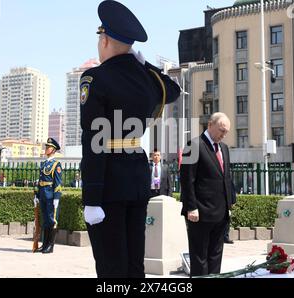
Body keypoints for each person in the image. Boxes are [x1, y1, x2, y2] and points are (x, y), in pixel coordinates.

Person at [80, 0, 181, 278]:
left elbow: (93, 140)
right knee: (135, 264)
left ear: (105, 39)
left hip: (108, 183)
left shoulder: (95, 78)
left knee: (111, 266)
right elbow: (173, 90)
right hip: (136, 177)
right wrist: (144, 62)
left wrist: (91, 198)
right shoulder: (145, 78)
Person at [180, 112, 234, 277]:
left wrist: (229, 205)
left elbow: (226, 178)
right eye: (221, 130)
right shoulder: (194, 145)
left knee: (216, 256)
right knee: (199, 257)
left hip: (220, 213)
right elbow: (187, 179)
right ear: (210, 125)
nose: (223, 135)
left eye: (226, 132)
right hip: (200, 213)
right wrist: (191, 208)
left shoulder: (224, 148)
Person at [33, 138, 62, 254]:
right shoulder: (44, 163)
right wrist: (38, 195)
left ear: (53, 149)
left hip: (51, 196)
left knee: (52, 220)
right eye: (46, 147)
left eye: (48, 147)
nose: (46, 149)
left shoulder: (56, 164)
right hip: (44, 195)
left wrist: (56, 197)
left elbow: (58, 183)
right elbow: (41, 181)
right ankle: (44, 244)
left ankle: (50, 245)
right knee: (45, 220)